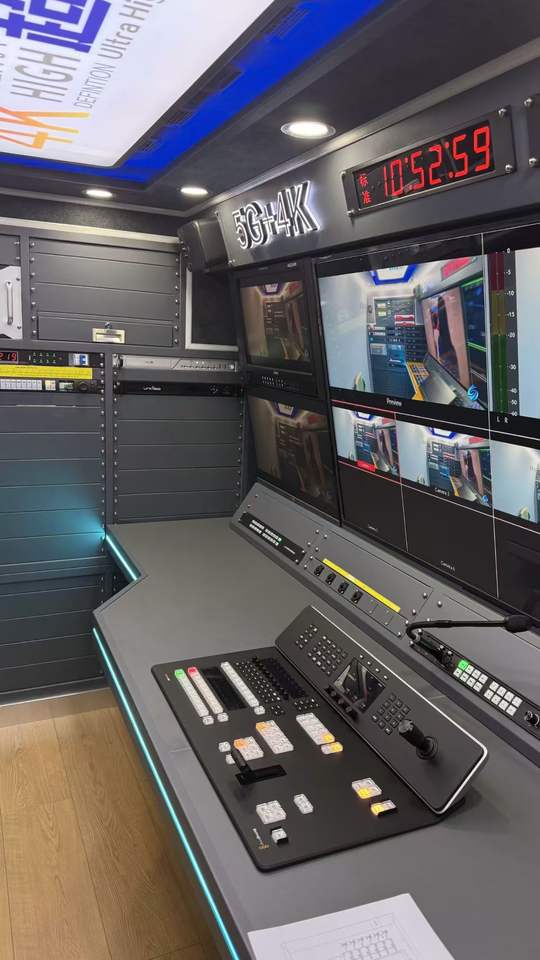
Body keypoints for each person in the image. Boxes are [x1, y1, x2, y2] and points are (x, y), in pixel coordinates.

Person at [432, 295, 459, 380]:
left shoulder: (439, 311)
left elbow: (437, 324)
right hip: (445, 345)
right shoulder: (439, 311)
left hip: (445, 346)